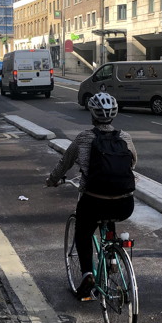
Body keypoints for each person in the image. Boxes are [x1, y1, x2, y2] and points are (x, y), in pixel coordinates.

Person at [46, 92, 137, 299]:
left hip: (94, 201)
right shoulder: (125, 137)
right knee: (110, 214)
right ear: (114, 115)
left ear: (92, 115)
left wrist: (52, 180)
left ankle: (87, 274)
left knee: (83, 232)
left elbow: (64, 164)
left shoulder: (84, 138)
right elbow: (132, 163)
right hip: (125, 204)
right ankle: (113, 260)